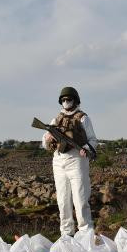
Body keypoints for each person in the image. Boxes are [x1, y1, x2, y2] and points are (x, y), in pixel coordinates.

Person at [41, 86, 98, 237]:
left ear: (75, 100)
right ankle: (66, 235)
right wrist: (47, 139)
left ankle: (86, 234)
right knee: (62, 201)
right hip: (59, 161)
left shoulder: (83, 118)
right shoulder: (56, 119)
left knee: (80, 199)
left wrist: (85, 148)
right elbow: (45, 143)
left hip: (77, 160)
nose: (66, 102)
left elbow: (93, 140)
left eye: (69, 99)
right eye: (64, 100)